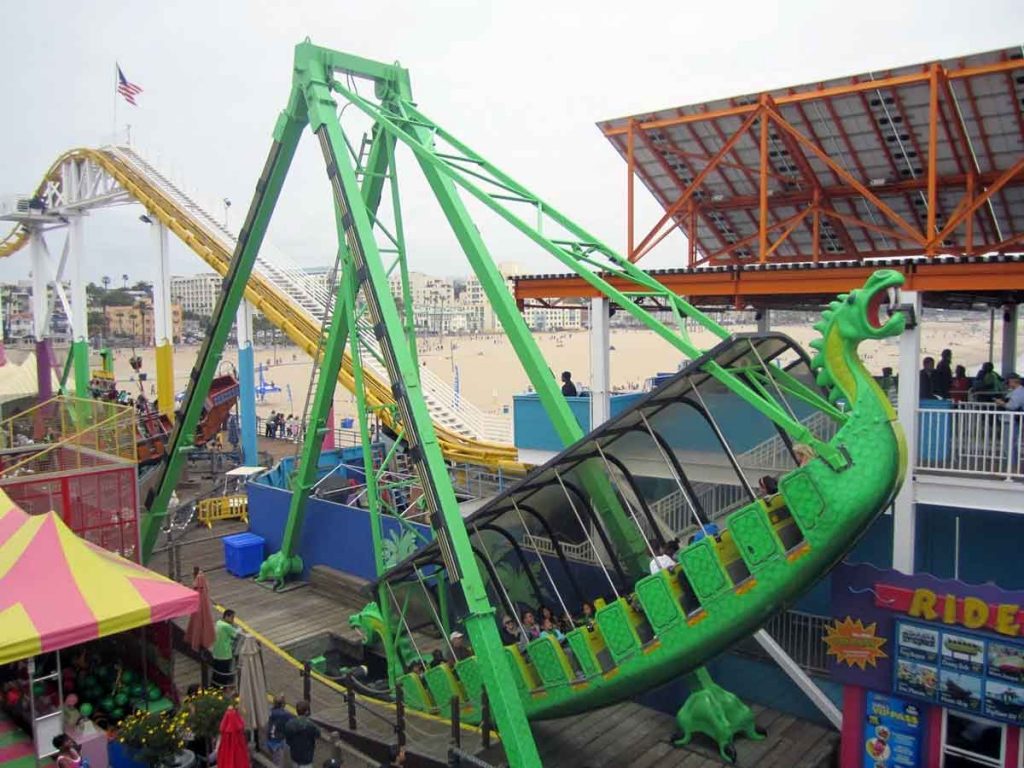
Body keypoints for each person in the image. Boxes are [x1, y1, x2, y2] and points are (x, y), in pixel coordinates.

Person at [284, 700, 320, 768]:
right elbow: (318, 734)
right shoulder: (311, 726)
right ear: (307, 712)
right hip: (307, 758)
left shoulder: (289, 724)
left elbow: (287, 740)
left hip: (294, 756)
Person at [212, 609, 240, 687]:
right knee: (224, 673)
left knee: (217, 672)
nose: (233, 619)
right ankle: (223, 687)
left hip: (216, 652)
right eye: (232, 617)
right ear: (227, 616)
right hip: (225, 653)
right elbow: (236, 634)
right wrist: (236, 627)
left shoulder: (218, 623)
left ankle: (214, 686)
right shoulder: (226, 626)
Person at [266, 695, 293, 767]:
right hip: (278, 741)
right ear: (283, 704)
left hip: (269, 739)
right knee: (278, 763)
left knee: (273, 759)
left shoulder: (270, 711)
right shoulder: (285, 715)